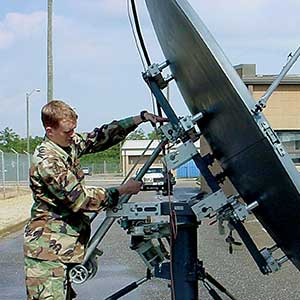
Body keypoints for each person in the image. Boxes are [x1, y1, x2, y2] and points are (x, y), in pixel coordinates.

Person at [23, 100, 167, 300]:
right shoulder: (48, 161)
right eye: (67, 132)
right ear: (50, 131)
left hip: (65, 248)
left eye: (74, 129)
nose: (73, 135)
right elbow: (80, 200)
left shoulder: (66, 144)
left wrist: (139, 119)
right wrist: (122, 190)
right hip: (48, 252)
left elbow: (99, 137)